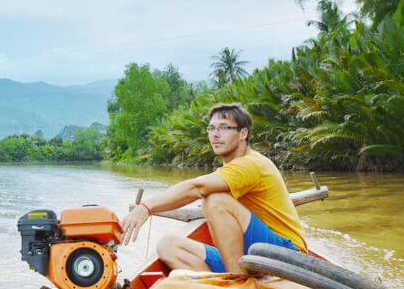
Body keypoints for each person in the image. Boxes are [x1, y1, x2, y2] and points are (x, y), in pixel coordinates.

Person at [119, 103, 306, 273]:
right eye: (212, 128)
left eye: (224, 128)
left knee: (215, 200)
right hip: (254, 252)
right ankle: (221, 288)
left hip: (287, 256)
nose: (215, 134)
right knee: (167, 245)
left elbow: (197, 187)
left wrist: (146, 207)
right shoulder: (229, 169)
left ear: (243, 134)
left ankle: (237, 283)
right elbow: (198, 184)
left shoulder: (251, 164)